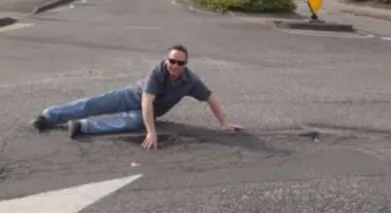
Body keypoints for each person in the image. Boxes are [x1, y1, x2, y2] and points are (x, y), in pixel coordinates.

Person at [30, 44, 242, 149]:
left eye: (180, 62)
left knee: (128, 122)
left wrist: (223, 123)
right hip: (132, 96)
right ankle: (50, 115)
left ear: (186, 64)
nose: (175, 65)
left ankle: (82, 126)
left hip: (145, 112)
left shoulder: (190, 81)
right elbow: (147, 101)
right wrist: (152, 132)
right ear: (166, 59)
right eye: (172, 60)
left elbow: (210, 98)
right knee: (93, 103)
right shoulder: (157, 72)